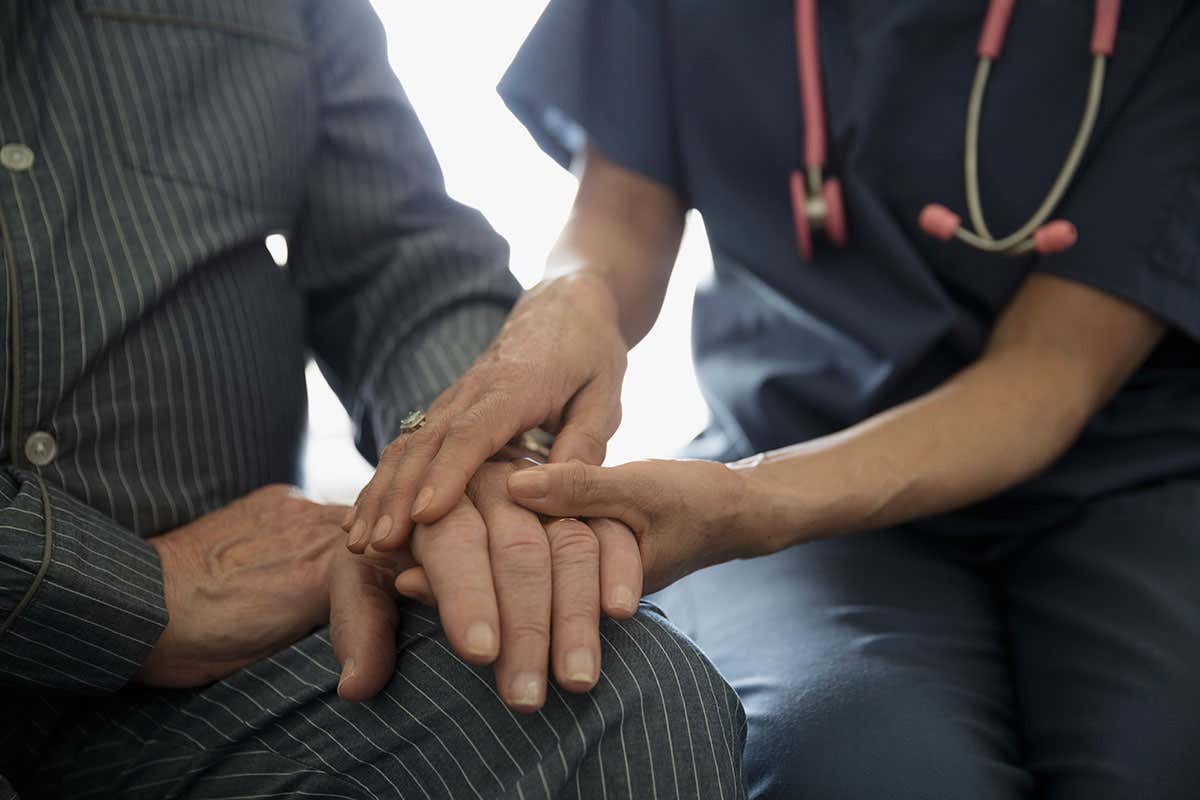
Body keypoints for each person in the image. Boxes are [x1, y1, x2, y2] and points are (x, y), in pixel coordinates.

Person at [349, 1, 1200, 798]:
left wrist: (745, 502)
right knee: (860, 765)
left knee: (1159, 763)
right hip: (788, 440)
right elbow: (623, 215)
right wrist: (571, 299)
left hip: (1119, 479)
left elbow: (1051, 370)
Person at [0, 2, 746, 798]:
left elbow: (396, 260)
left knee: (625, 690)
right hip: (115, 607)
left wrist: (471, 455)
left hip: (236, 651)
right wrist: (122, 588)